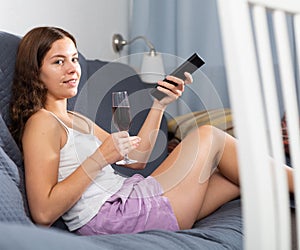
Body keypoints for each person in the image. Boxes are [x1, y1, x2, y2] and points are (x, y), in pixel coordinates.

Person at [9, 26, 294, 235]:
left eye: (73, 58)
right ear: (35, 71)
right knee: (209, 135)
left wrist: (160, 105)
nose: (72, 69)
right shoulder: (42, 123)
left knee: (241, 178)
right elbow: (43, 213)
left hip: (131, 195)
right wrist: (99, 158)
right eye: (58, 61)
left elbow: (137, 159)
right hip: (114, 216)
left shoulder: (76, 119)